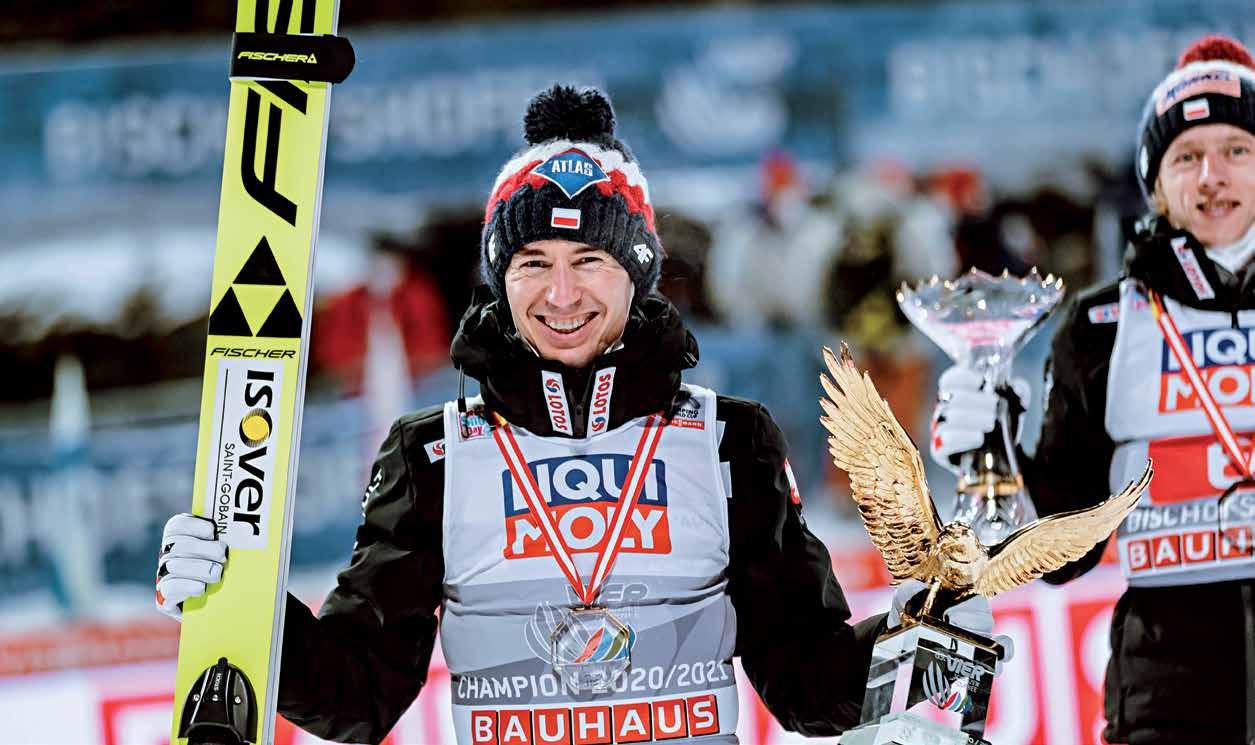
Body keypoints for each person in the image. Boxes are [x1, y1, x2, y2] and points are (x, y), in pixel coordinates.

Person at [158, 85, 996, 744]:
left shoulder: (728, 440)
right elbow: (358, 695)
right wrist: (243, 603)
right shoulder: (434, 454)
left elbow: (809, 682)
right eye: (532, 261)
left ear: (637, 271)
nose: (560, 294)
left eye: (589, 258)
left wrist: (923, 645)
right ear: (500, 277)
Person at [931, 35, 1255, 745]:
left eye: (1236, 149)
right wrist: (997, 451)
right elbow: (1065, 551)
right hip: (1167, 710)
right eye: (1186, 157)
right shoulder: (1104, 325)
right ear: (1156, 184)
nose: (1212, 176)